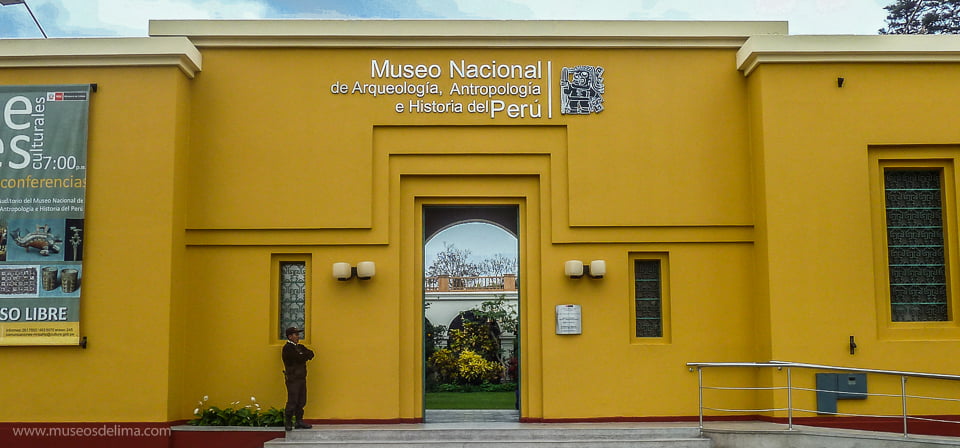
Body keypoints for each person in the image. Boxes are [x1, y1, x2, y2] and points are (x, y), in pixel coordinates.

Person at [282, 326, 314, 430]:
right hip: (293, 378)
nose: (298, 336)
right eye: (296, 334)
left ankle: (299, 421)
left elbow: (311, 354)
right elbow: (299, 358)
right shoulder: (287, 348)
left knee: (301, 400)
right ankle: (288, 422)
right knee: (292, 400)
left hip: (301, 377)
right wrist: (303, 355)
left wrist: (302, 354)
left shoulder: (300, 347)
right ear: (290, 336)